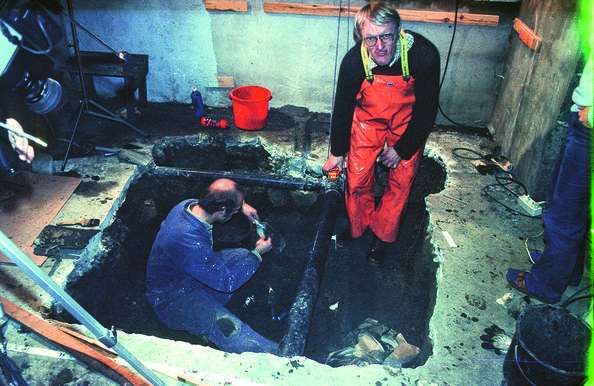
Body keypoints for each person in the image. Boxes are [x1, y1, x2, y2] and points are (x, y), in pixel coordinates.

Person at [322, 0, 440, 264]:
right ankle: (358, 227)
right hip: (368, 122)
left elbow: (427, 111)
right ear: (361, 38)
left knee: (401, 182)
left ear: (398, 30)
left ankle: (383, 235)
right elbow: (342, 109)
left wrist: (402, 149)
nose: (379, 46)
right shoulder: (354, 62)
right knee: (357, 178)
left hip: (406, 123)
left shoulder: (423, 55)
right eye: (371, 39)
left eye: (386, 36)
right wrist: (337, 153)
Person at [145, 178, 278, 353]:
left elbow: (219, 197)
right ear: (222, 209)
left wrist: (242, 206)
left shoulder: (188, 206)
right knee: (235, 333)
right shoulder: (187, 239)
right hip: (172, 298)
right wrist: (258, 254)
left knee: (241, 256)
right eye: (236, 209)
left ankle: (213, 307)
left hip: (187, 273)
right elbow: (227, 282)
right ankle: (281, 357)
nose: (238, 211)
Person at [506, 54, 592, 304]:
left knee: (565, 210)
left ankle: (546, 283)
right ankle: (565, 270)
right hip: (583, 119)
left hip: (589, 127)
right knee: (569, 203)